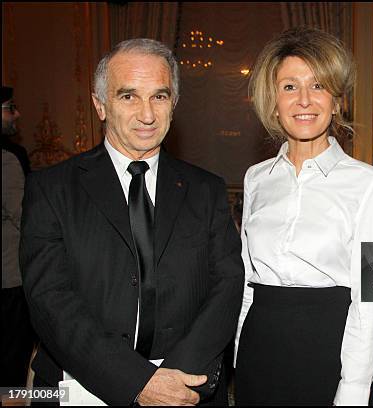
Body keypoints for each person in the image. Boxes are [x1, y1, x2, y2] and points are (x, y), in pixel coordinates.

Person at [19, 39, 244, 405]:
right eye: (128, 97)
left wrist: (174, 382)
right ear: (100, 105)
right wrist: (138, 382)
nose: (147, 114)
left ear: (173, 103)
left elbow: (228, 285)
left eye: (159, 96)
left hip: (185, 387)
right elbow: (50, 301)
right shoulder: (51, 188)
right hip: (84, 387)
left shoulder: (207, 189)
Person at [234, 27, 373, 405]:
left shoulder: (367, 183)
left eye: (318, 86)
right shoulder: (256, 178)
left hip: (328, 352)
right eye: (289, 87)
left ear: (337, 101)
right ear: (273, 103)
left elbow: (369, 298)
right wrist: (240, 352)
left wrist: (353, 390)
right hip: (260, 350)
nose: (304, 100)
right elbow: (246, 283)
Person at [2, 86, 35, 388]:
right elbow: (23, 216)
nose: (16, 114)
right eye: (9, 108)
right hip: (10, 278)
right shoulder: (8, 158)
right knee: (13, 359)